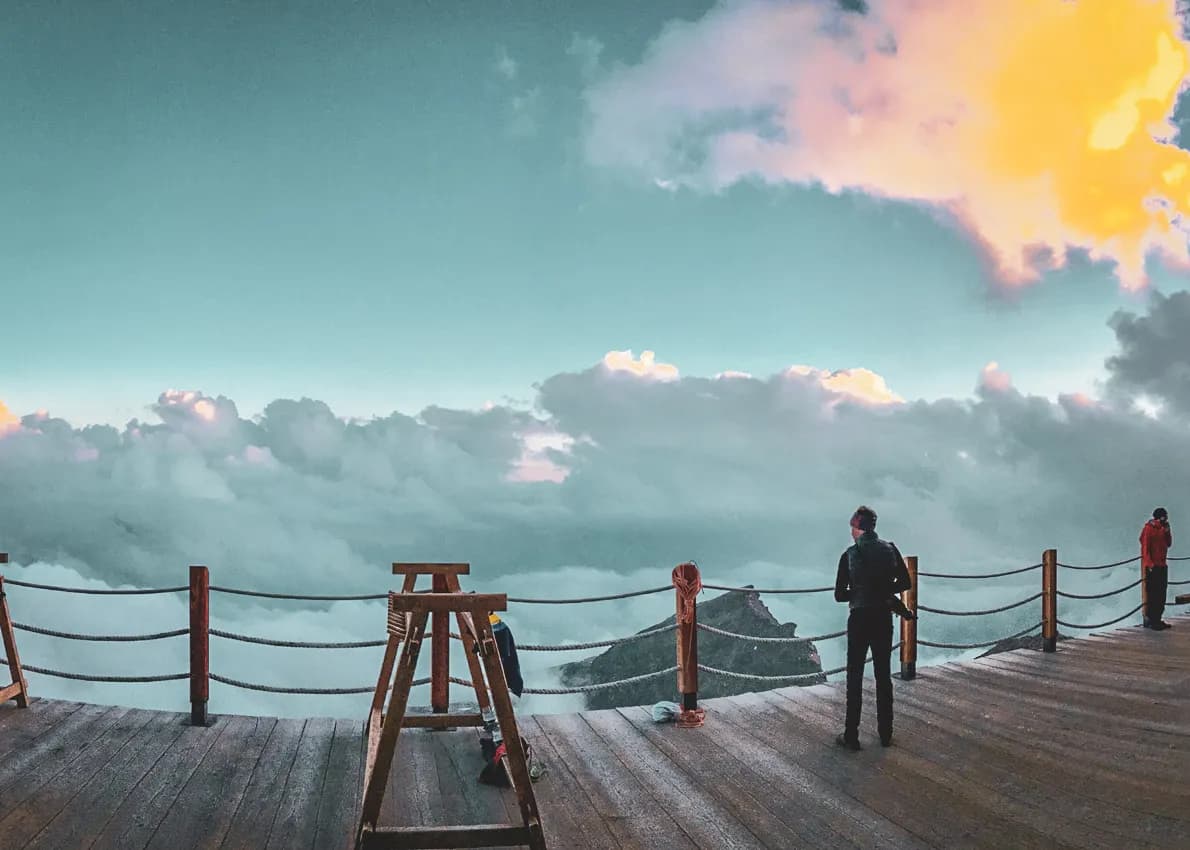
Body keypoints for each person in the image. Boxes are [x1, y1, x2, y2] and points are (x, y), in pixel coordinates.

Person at [834, 505, 913, 750]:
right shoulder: (890, 549)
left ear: (858, 528)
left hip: (859, 619)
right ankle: (885, 733)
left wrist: (859, 592)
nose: (851, 532)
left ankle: (851, 736)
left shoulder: (849, 555)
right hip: (882, 618)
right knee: (883, 675)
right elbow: (905, 582)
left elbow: (839, 595)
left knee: (855, 677)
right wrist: (883, 590)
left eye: (852, 527)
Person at [1140, 508, 1172, 631]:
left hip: (1162, 565)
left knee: (1162, 593)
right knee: (1154, 593)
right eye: (1164, 517)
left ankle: (1158, 618)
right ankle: (1152, 620)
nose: (1166, 519)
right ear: (1159, 517)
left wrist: (1167, 531)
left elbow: (1169, 543)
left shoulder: (1164, 529)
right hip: (1153, 567)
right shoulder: (1149, 529)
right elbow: (1145, 547)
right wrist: (1150, 564)